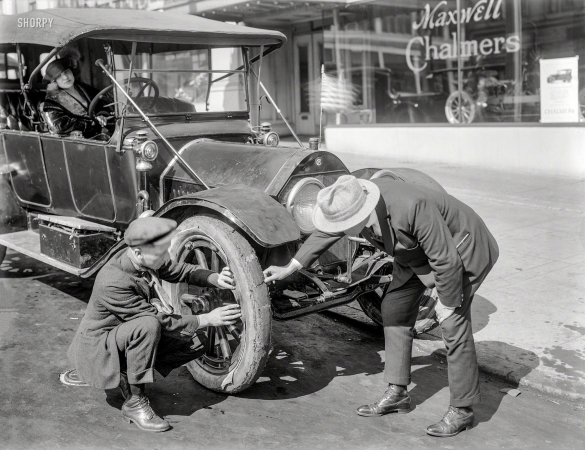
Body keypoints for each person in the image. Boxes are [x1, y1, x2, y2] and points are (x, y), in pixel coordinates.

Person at [264, 174, 498, 437]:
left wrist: (447, 301)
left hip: (463, 248)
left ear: (360, 215)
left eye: (344, 224)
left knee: (453, 324)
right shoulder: (354, 203)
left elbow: (445, 260)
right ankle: (398, 393)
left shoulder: (412, 205)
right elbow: (326, 232)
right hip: (414, 253)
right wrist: (290, 267)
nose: (339, 229)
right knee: (394, 309)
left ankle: (462, 410)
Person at [63, 217, 241, 432]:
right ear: (138, 253)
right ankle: (134, 401)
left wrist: (214, 278)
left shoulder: (147, 259)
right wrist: (206, 319)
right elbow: (160, 320)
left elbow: (179, 270)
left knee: (199, 340)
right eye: (161, 254)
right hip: (101, 346)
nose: (165, 258)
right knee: (148, 325)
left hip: (124, 338)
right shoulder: (113, 280)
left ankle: (126, 372)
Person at [41, 59, 113, 139]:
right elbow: (58, 127)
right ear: (54, 82)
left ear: (72, 72)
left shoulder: (83, 88)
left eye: (66, 72)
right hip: (80, 143)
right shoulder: (51, 103)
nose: (65, 77)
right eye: (59, 76)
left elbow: (102, 102)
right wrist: (93, 124)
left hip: (104, 136)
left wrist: (101, 115)